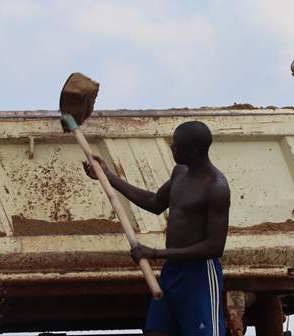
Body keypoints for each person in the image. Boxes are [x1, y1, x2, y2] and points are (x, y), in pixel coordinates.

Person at [83, 120, 231, 336]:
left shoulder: (216, 187)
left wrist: (154, 254)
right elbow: (154, 203)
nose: (172, 147)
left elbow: (214, 247)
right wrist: (107, 176)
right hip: (172, 271)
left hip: (199, 275)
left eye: (177, 145)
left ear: (195, 150)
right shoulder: (180, 172)